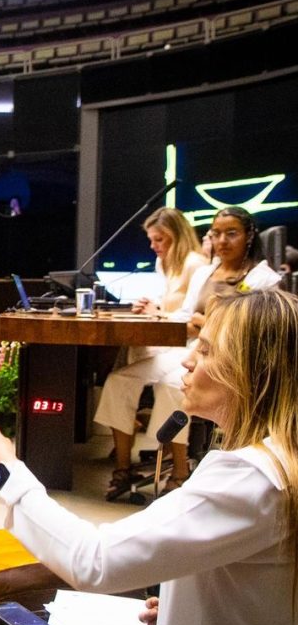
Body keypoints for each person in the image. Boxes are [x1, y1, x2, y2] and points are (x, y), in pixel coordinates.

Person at [0, 287, 298, 625]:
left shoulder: (250, 478)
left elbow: (95, 561)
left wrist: (4, 471)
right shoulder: (278, 466)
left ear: (252, 372)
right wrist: (188, 608)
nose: (187, 360)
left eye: (206, 350)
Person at [96, 205, 279, 497]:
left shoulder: (263, 278)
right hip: (190, 347)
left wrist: (206, 323)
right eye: (216, 234)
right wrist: (176, 318)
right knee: (119, 380)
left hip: (229, 357)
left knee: (174, 384)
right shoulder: (205, 272)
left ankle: (179, 472)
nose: (222, 241)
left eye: (231, 234)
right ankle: (122, 468)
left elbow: (251, 329)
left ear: (249, 236)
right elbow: (185, 316)